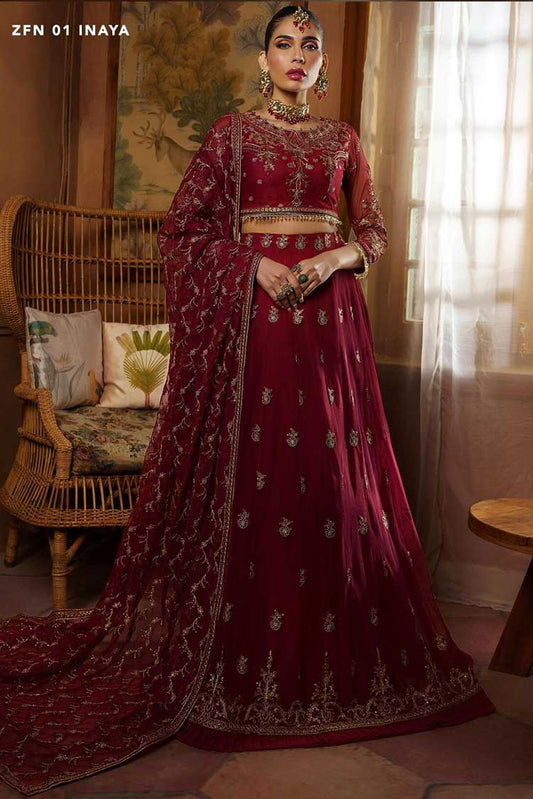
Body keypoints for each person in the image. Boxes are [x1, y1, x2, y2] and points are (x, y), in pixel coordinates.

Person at [0, 4, 495, 795]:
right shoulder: (230, 137)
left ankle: (326, 645)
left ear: (321, 62)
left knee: (331, 483)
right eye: (283, 43)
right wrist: (252, 267)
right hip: (257, 322)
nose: (297, 54)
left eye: (310, 44)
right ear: (262, 60)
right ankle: (243, 646)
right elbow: (182, 231)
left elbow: (372, 230)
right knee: (263, 477)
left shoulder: (342, 141)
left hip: (330, 326)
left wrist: (333, 256)